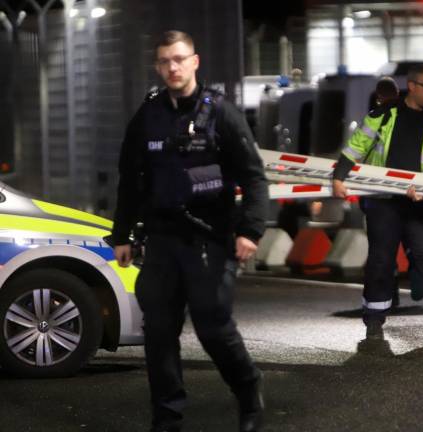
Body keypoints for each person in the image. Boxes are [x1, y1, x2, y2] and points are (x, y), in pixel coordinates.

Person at [111, 30, 269, 432]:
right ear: (158, 66)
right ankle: (167, 418)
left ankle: (248, 391)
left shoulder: (221, 113)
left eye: (179, 59)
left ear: (194, 61)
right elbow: (130, 178)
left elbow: (253, 177)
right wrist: (123, 234)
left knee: (212, 326)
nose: (172, 67)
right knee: (159, 332)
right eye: (165, 61)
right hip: (162, 238)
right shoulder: (148, 116)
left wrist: (250, 230)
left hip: (210, 237)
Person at [332, 64, 423, 341]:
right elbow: (356, 146)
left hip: (418, 201)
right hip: (383, 201)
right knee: (381, 259)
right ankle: (374, 319)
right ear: (411, 86)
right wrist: (339, 176)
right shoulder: (382, 115)